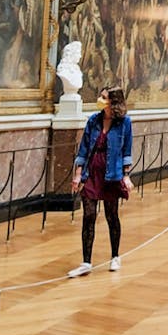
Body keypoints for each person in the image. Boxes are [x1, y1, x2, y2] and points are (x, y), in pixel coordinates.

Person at [69, 87, 133, 277]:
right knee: (88, 216)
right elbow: (83, 149)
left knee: (111, 216)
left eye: (104, 97)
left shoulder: (124, 123)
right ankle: (86, 262)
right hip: (92, 173)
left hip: (111, 175)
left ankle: (115, 256)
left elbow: (126, 151)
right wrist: (78, 174)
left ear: (113, 101)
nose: (100, 100)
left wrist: (126, 175)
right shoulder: (93, 120)